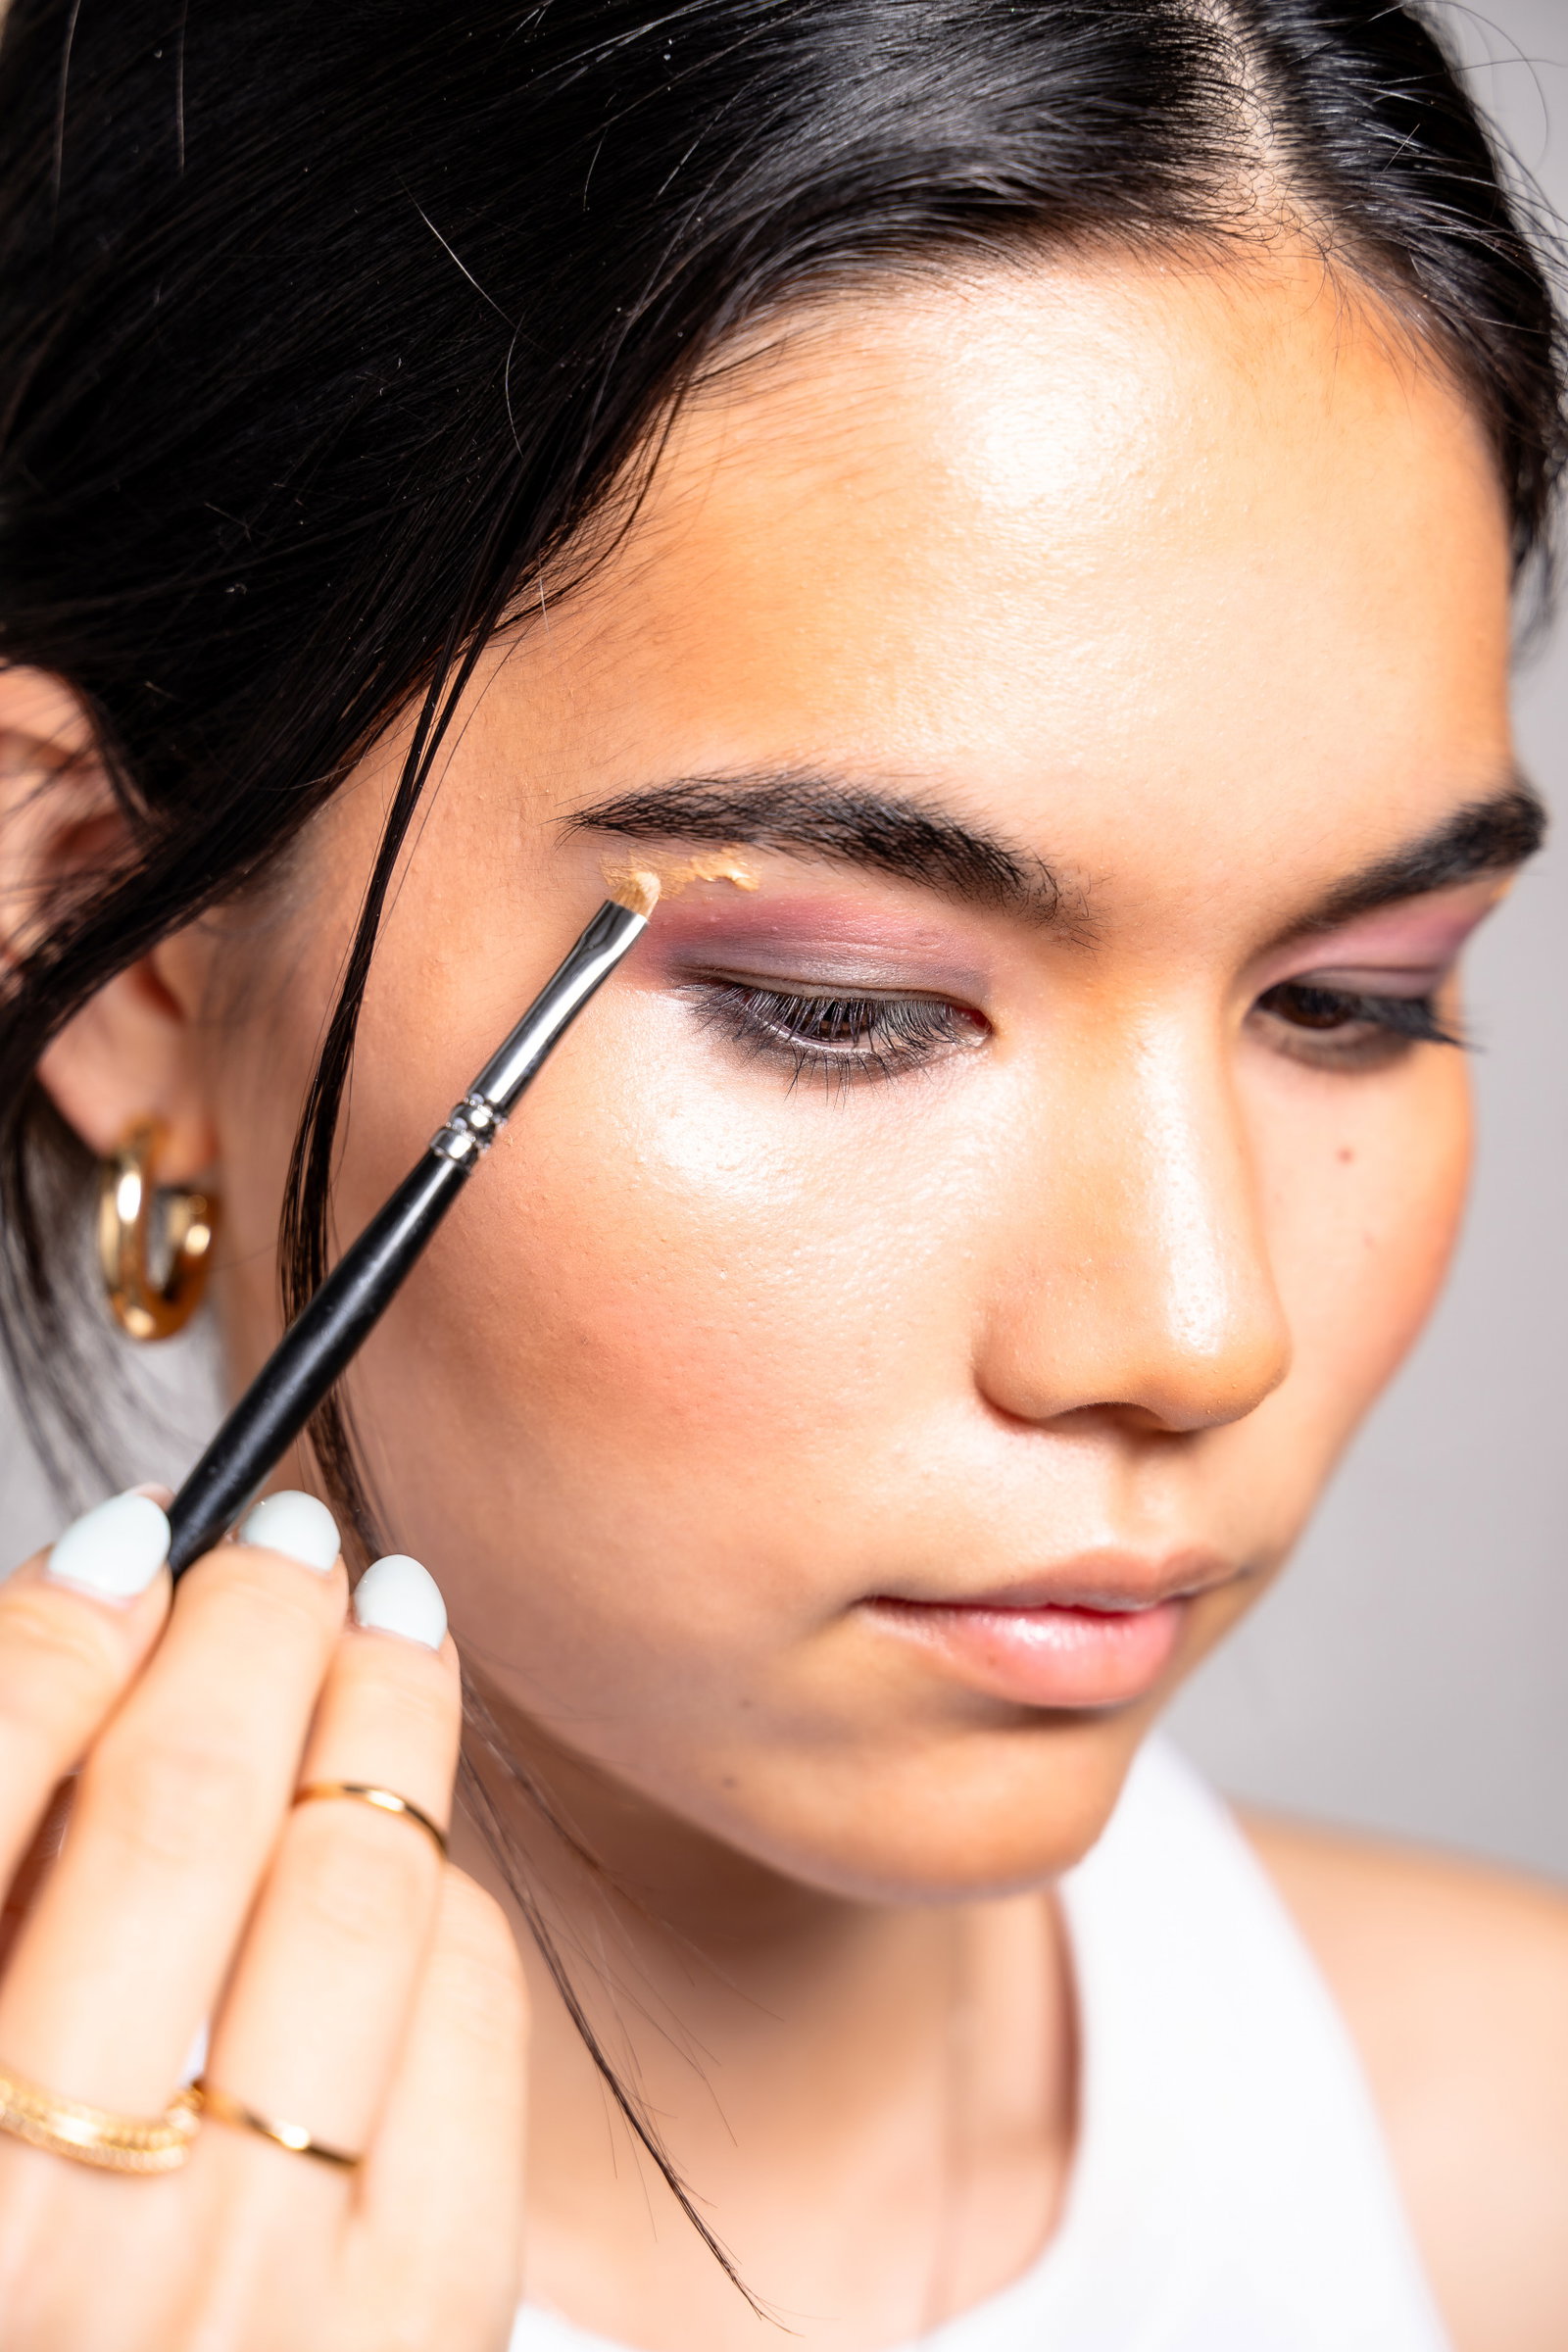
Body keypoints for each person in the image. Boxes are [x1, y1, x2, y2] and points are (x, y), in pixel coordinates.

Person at [0, 1, 1565, 2345]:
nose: (1193, 1323)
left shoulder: (1507, 2172)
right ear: (100, 931)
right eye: (838, 1003)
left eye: (1346, 998)